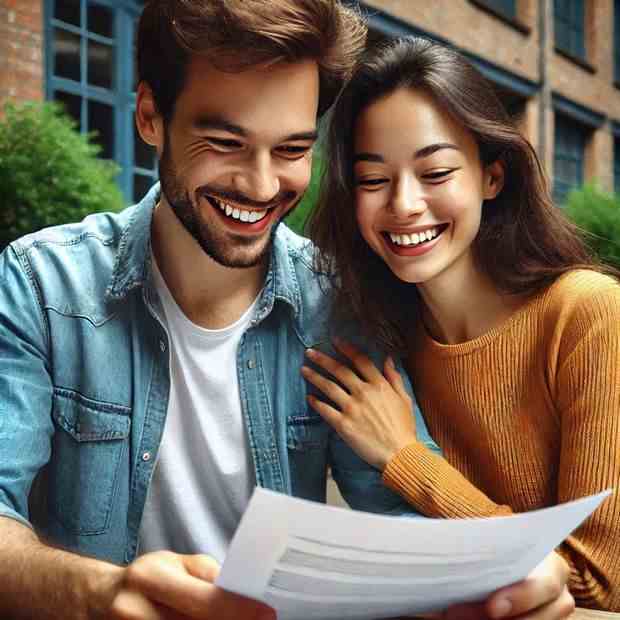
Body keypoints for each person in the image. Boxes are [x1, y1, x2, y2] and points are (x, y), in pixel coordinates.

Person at [0, 2, 437, 618]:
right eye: (227, 142)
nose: (261, 187)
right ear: (151, 117)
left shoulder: (338, 303)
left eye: (290, 149)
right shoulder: (43, 285)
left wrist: (499, 585)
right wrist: (108, 594)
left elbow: (402, 529)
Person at [304, 36, 620, 617]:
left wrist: (405, 456)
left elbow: (599, 581)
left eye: (435, 172)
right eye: (373, 180)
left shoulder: (589, 315)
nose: (403, 205)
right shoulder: (383, 341)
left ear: (492, 177)